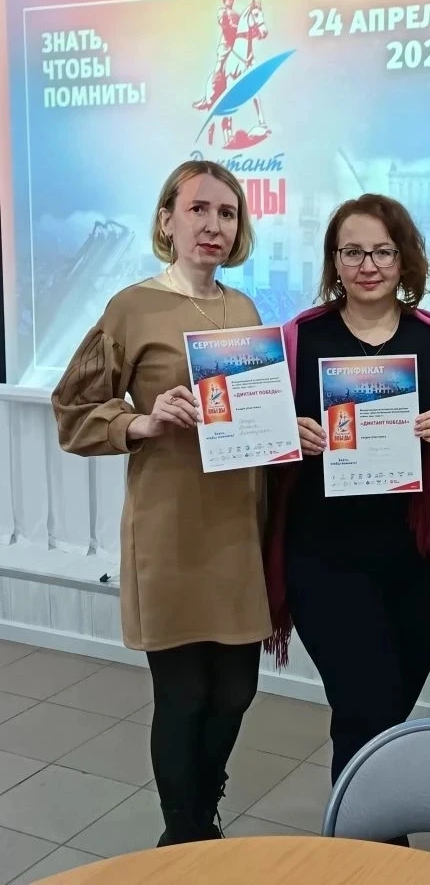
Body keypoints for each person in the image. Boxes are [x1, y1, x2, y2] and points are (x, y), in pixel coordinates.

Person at [51, 160, 271, 847]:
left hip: (237, 527)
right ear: (166, 220)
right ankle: (185, 833)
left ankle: (203, 805)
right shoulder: (132, 307)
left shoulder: (245, 311)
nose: (213, 225)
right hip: (169, 527)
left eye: (227, 213)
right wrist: (140, 421)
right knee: (183, 695)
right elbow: (73, 410)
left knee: (235, 691)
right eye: (198, 208)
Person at [263, 193, 430, 813]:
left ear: (405, 259)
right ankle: (376, 841)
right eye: (352, 252)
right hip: (325, 558)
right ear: (334, 260)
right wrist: (287, 434)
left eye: (382, 251)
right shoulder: (298, 337)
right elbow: (255, 434)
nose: (368, 265)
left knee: (383, 712)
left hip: (419, 562)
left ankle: (360, 839)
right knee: (366, 706)